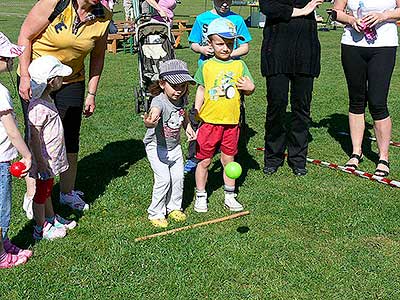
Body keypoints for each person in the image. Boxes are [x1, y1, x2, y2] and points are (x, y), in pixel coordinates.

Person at [17, 0, 112, 214]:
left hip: (71, 80)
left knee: (69, 136)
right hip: (37, 81)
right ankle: (33, 193)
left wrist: (91, 93)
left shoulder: (103, 16)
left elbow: (98, 56)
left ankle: (66, 192)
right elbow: (25, 35)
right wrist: (24, 75)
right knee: (37, 135)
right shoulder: (55, 3)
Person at [193, 18, 255, 213]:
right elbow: (201, 89)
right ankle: (201, 195)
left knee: (229, 161)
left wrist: (250, 88)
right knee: (204, 161)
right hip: (209, 122)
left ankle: (230, 195)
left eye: (230, 44)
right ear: (209, 43)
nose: (226, 48)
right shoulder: (206, 66)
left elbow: (249, 87)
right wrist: (196, 111)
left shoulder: (239, 66)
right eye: (220, 43)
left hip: (231, 123)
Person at [333, 0, 400, 177]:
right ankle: (356, 152)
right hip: (352, 46)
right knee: (356, 100)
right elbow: (336, 11)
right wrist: (350, 20)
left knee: (378, 102)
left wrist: (383, 15)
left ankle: (383, 157)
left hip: (383, 46)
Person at [185, 0, 252, 174]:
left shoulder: (237, 20)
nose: (225, 3)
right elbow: (192, 42)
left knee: (230, 116)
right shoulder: (202, 19)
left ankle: (228, 153)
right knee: (201, 118)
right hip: (208, 74)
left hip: (231, 75)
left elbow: (245, 46)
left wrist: (227, 55)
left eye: (228, 0)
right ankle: (195, 157)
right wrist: (202, 49)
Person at [260, 0, 323, 176]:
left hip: (305, 52)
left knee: (302, 108)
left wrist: (290, 11)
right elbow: (267, 7)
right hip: (277, 52)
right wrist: (302, 11)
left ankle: (298, 159)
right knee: (276, 106)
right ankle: (273, 157)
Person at [28, 56, 78, 240]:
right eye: (60, 76)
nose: (63, 80)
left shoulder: (47, 98)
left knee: (47, 189)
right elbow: (33, 136)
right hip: (44, 160)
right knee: (40, 194)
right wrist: (40, 162)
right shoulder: (38, 107)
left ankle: (50, 217)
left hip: (50, 159)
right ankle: (40, 228)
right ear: (51, 81)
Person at [143, 59, 196, 228]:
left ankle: (174, 207)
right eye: (175, 86)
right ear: (162, 83)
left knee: (179, 177)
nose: (179, 90)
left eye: (183, 86)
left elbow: (183, 114)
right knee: (164, 179)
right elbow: (153, 114)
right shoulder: (159, 101)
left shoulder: (181, 98)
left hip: (174, 147)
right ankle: (156, 213)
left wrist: (187, 127)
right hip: (156, 146)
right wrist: (150, 122)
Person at [0, 32, 33, 268]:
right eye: (5, 57)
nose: (11, 61)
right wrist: (27, 154)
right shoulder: (1, 93)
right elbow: (11, 131)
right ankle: (1, 256)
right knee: (1, 210)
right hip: (1, 160)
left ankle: (4, 243)